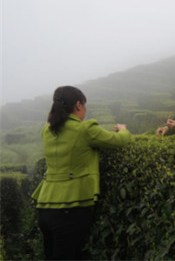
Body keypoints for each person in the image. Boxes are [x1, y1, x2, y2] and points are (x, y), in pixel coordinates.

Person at [32, 86, 131, 260]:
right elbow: (119, 141)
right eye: (84, 105)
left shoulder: (47, 131)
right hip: (71, 207)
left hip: (45, 207)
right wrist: (123, 129)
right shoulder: (85, 130)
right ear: (78, 105)